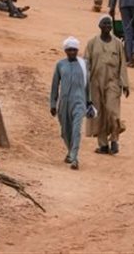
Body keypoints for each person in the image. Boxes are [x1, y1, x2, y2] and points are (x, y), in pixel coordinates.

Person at [85, 15, 130, 155]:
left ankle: (115, 139)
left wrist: (125, 84)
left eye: (109, 24)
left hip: (113, 82)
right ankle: (103, 145)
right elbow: (86, 63)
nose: (107, 26)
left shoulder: (117, 43)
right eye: (104, 23)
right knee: (100, 114)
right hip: (95, 82)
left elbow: (123, 64)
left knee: (112, 111)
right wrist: (84, 82)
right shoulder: (92, 43)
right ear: (99, 26)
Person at [50, 36, 90, 170]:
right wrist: (53, 104)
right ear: (66, 51)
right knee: (65, 131)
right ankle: (70, 151)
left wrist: (89, 102)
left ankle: (74, 157)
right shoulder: (60, 65)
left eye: (74, 50)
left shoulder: (84, 64)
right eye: (69, 50)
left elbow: (88, 85)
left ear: (77, 50)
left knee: (76, 130)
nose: (72, 52)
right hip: (64, 103)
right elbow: (55, 85)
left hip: (79, 102)